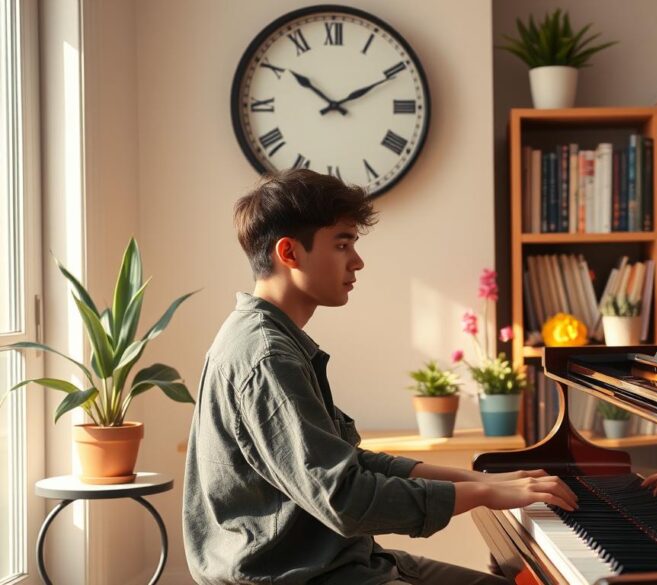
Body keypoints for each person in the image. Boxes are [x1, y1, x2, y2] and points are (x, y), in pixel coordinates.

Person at [183, 169, 578, 585]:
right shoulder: (266, 356)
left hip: (338, 563)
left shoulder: (273, 340)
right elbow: (345, 498)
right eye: (342, 244)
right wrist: (484, 493)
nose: (357, 261)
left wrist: (480, 479)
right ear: (290, 253)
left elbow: (351, 463)